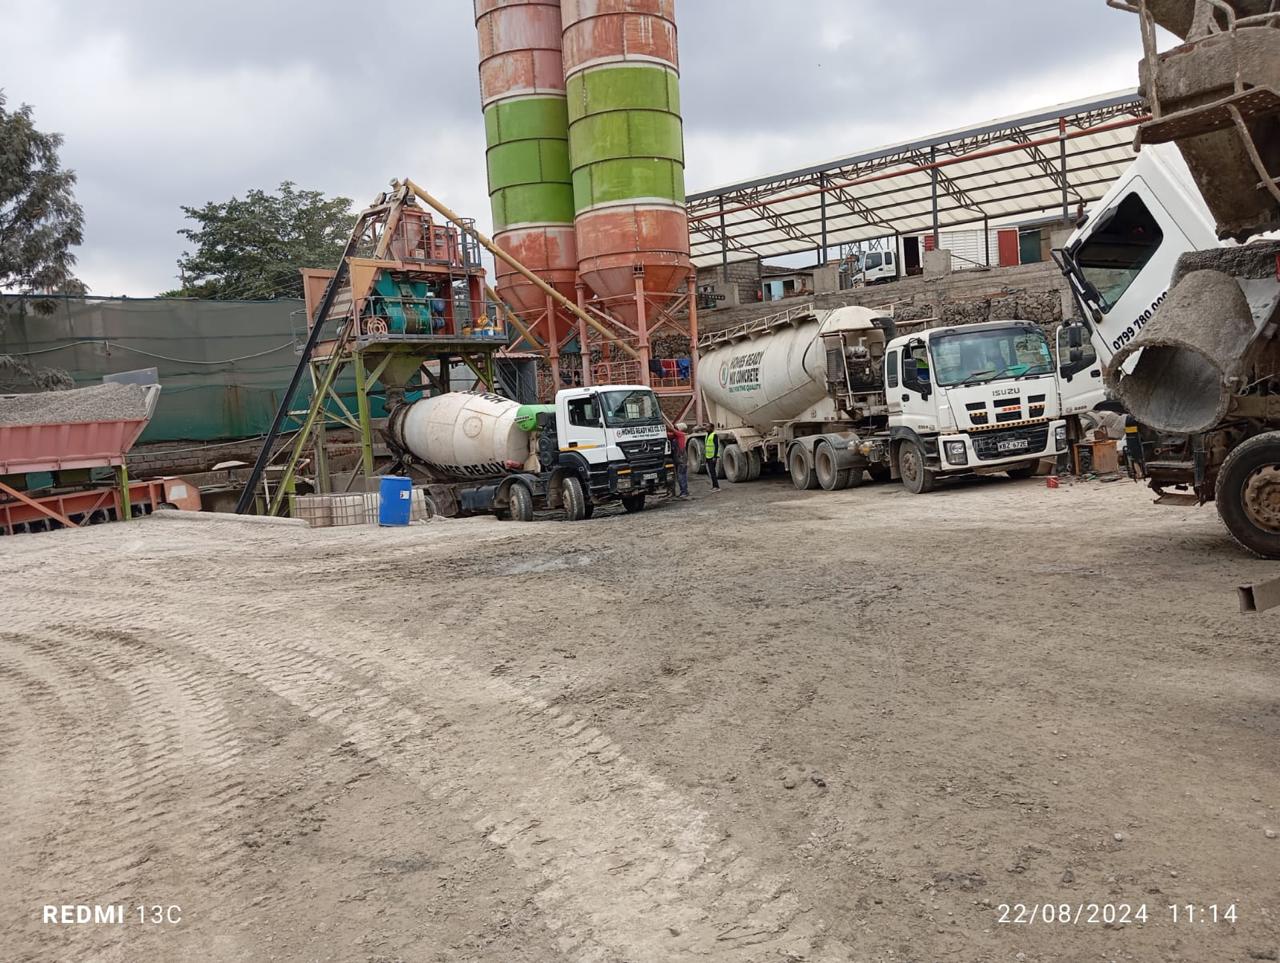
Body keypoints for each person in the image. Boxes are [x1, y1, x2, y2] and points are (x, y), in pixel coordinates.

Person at [668, 421, 690, 499]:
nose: (674, 428)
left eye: (676, 427)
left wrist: (670, 427)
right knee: (679, 476)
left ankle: (684, 492)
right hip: (678, 458)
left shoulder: (681, 435)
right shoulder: (675, 437)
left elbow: (673, 432)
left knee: (681, 476)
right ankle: (682, 491)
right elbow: (669, 435)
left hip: (681, 458)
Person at [703, 424, 722, 492]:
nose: (706, 428)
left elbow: (716, 446)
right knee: (711, 472)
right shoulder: (707, 435)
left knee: (712, 472)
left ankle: (716, 487)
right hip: (708, 456)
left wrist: (715, 457)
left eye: (708, 427)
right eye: (706, 427)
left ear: (712, 428)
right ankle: (714, 486)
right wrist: (705, 457)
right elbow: (707, 447)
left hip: (712, 457)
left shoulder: (714, 435)